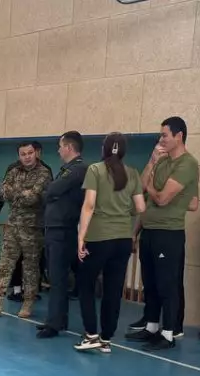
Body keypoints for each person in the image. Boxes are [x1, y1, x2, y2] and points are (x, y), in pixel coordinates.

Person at [127, 116, 199, 351]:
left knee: (167, 284)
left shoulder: (187, 164)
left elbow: (161, 198)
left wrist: (148, 187)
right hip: (149, 230)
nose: (161, 139)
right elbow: (140, 189)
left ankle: (168, 333)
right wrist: (151, 161)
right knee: (150, 282)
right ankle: (151, 326)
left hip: (169, 233)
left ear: (179, 136)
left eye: (165, 135)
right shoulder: (163, 161)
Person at [74, 133, 146, 354]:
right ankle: (106, 338)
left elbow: (89, 205)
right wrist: (125, 211)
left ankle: (91, 334)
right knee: (113, 289)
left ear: (103, 149)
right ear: (123, 151)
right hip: (123, 239)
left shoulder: (95, 170)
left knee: (85, 284)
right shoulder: (132, 173)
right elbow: (141, 208)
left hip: (99, 238)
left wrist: (80, 236)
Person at [0, 141, 52, 318]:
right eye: (23, 154)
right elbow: (2, 191)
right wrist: (22, 192)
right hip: (13, 225)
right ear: (18, 155)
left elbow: (33, 198)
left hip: (33, 228)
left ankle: (28, 303)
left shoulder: (44, 172)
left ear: (36, 153)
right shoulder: (13, 170)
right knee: (4, 263)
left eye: (29, 153)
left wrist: (14, 192)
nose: (26, 157)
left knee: (30, 267)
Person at [37, 131, 88, 338]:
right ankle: (58, 318)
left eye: (60, 146)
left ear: (68, 147)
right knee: (55, 276)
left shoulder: (77, 169)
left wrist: (49, 193)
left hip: (62, 231)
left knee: (58, 278)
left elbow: (51, 190)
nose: (58, 150)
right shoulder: (67, 169)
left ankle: (54, 323)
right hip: (55, 230)